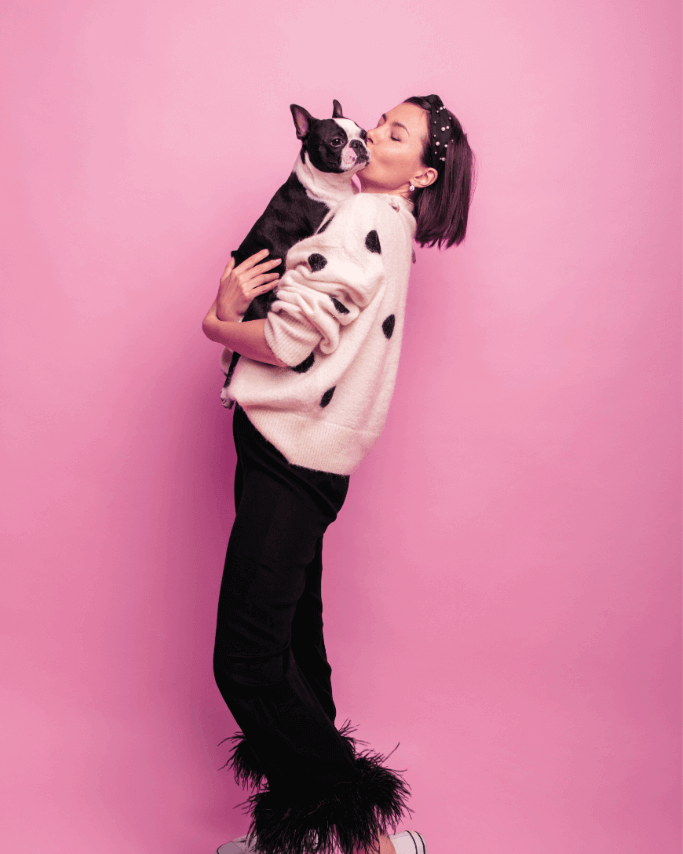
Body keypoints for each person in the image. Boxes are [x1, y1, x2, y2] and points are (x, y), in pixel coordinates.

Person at [202, 95, 475, 854]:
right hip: (315, 456)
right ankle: (302, 838)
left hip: (289, 452)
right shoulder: (392, 226)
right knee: (294, 646)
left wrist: (218, 319)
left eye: (395, 134)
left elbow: (288, 341)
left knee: (248, 660)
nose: (374, 135)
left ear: (422, 173)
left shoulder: (357, 218)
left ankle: (374, 842)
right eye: (380, 122)